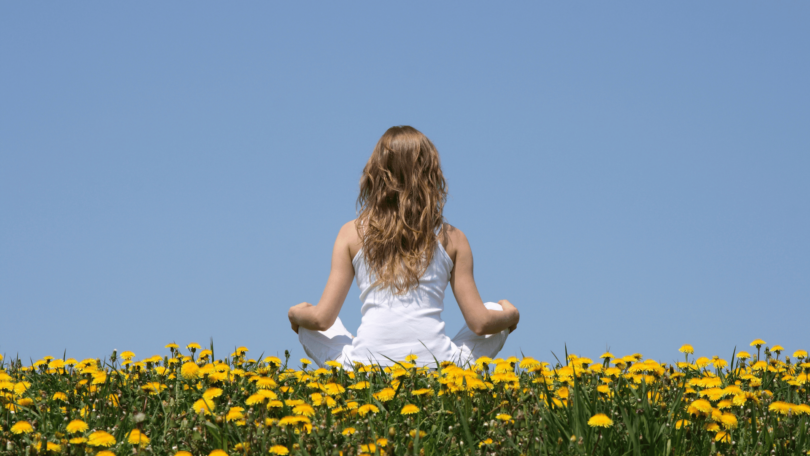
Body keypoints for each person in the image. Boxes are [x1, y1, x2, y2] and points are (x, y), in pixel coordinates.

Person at [288, 126, 519, 369]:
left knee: (310, 323)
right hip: (439, 368)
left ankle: (366, 350)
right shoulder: (453, 238)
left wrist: (295, 314)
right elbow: (480, 323)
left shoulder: (350, 233)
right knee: (493, 309)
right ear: (431, 174)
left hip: (364, 369)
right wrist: (511, 315)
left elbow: (323, 319)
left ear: (375, 173)